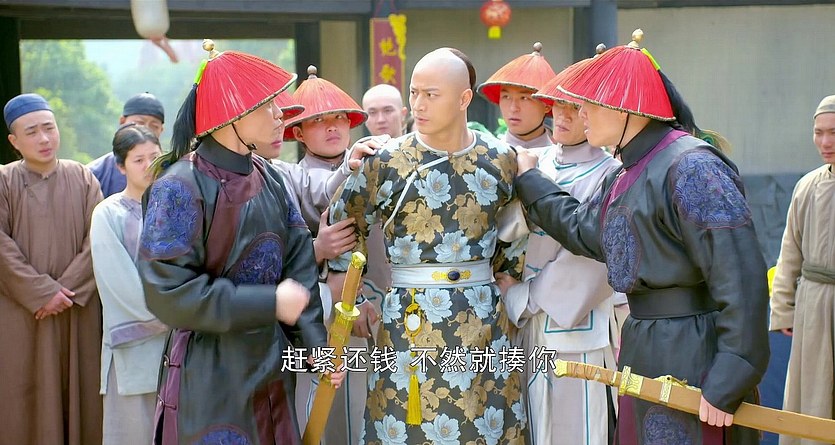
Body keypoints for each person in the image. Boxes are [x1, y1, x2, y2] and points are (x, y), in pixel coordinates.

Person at [513, 31, 769, 444]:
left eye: (588, 102)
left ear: (625, 106)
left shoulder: (693, 166)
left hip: (695, 350)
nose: (580, 113)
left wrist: (732, 372)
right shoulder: (626, 171)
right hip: (643, 343)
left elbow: (739, 273)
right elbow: (584, 229)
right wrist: (529, 179)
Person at [137, 41, 344, 445]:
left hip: (271, 363)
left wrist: (316, 347)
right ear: (230, 114)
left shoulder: (270, 177)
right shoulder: (179, 186)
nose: (279, 114)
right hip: (209, 370)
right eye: (267, 106)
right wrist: (269, 303)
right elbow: (168, 292)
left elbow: (299, 263)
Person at [329, 47, 527, 444]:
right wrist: (358, 297)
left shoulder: (501, 159)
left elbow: (515, 234)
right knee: (406, 426)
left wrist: (508, 281)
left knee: (484, 422)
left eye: (431, 95)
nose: (418, 105)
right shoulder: (386, 159)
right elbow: (344, 226)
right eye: (414, 93)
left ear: (464, 98)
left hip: (483, 314)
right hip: (408, 317)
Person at [496, 55, 622, 445]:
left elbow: (592, 258)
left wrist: (524, 297)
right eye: (557, 105)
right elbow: (507, 229)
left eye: (575, 107)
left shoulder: (611, 173)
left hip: (576, 325)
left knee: (577, 431)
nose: (562, 116)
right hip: (528, 325)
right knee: (531, 427)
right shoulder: (537, 161)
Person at [282, 65, 383, 445]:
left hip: (378, 310)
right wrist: (319, 252)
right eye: (318, 120)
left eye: (339, 118)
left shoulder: (378, 168)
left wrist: (369, 296)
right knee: (321, 414)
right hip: (319, 315)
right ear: (298, 133)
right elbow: (323, 191)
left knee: (373, 411)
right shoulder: (288, 178)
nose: (331, 127)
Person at [0, 92, 103, 445]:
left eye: (49, 128)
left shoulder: (83, 178)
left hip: (76, 309)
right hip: (22, 312)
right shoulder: (4, 181)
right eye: (31, 132)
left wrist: (63, 291)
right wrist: (42, 293)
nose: (44, 138)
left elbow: (98, 240)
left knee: (80, 394)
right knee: (22, 396)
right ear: (14, 141)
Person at [91, 123, 167, 445]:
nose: (149, 165)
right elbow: (119, 286)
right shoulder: (107, 214)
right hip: (134, 349)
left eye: (154, 156)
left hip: (179, 347)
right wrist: (180, 314)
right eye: (138, 159)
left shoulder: (176, 207)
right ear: (121, 166)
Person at [770, 94, 835, 445]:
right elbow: (790, 253)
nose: (825, 142)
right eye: (819, 132)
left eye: (834, 133)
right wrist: (783, 308)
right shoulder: (807, 187)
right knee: (813, 395)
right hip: (813, 305)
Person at [476, 42, 556, 149]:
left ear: (547, 105)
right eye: (506, 97)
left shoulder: (560, 155)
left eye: (524, 98)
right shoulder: (488, 152)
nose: (513, 108)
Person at [87, 92, 165, 198]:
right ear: (122, 121)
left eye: (154, 126)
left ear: (161, 130)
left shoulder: (173, 172)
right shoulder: (94, 174)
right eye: (139, 123)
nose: (145, 130)